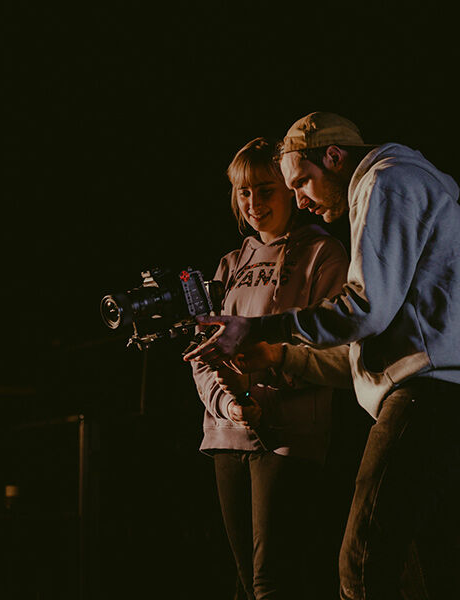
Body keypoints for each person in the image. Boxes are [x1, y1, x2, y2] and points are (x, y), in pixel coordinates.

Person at [186, 113, 460, 599]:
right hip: (450, 392)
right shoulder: (400, 185)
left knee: (361, 562)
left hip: (430, 392)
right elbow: (366, 337)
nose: (299, 199)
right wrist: (277, 354)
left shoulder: (386, 181)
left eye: (300, 182)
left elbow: (364, 308)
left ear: (334, 158)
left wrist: (262, 327)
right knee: (421, 570)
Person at [191, 137, 350, 600]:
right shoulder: (229, 265)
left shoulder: (324, 255)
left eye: (265, 189)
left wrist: (264, 389)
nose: (254, 203)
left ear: (288, 190)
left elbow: (337, 351)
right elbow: (201, 353)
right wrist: (229, 403)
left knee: (272, 583)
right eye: (244, 192)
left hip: (289, 436)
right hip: (226, 433)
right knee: (246, 583)